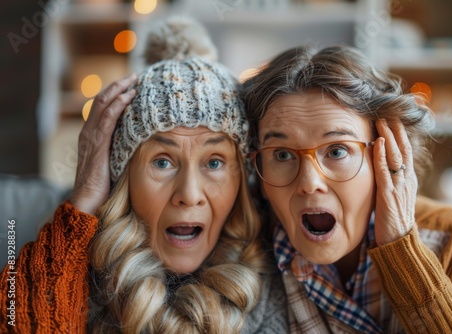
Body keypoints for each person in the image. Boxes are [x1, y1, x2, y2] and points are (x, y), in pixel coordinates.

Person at [0, 18, 288, 333]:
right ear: (124, 180)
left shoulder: (277, 286)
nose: (189, 194)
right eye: (163, 162)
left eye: (215, 162)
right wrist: (84, 199)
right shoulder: (66, 269)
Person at [242, 44, 452, 333]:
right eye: (282, 155)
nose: (309, 183)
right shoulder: (241, 253)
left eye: (337, 151)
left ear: (387, 157)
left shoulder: (450, 241)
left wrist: (402, 251)